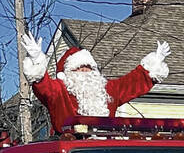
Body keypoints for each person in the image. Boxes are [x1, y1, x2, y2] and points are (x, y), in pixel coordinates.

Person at [20, 33, 171, 130]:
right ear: (67, 74)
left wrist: (153, 63)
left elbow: (130, 83)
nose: (85, 72)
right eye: (80, 68)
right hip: (71, 150)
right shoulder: (60, 91)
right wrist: (37, 61)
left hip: (105, 149)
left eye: (89, 68)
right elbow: (45, 88)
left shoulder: (106, 90)